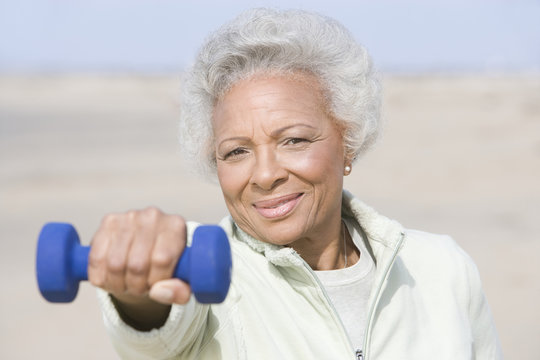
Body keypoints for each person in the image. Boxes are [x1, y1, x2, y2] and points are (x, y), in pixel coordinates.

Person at [89, 8, 502, 360]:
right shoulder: (203, 271)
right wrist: (139, 293)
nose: (266, 175)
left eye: (294, 140)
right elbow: (158, 328)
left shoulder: (443, 269)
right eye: (236, 151)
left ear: (349, 141)